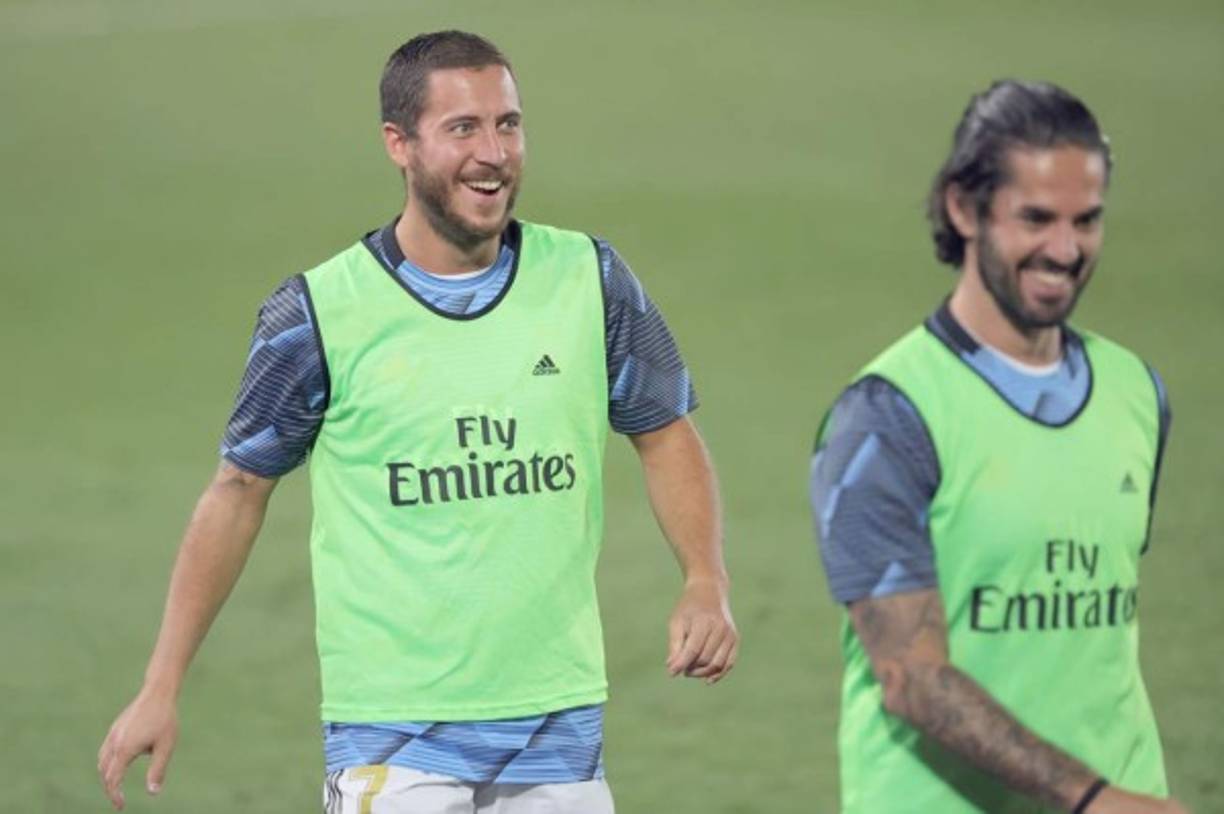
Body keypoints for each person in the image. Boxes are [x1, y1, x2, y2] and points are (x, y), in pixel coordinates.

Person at [98, 30, 737, 813]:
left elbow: (666, 430)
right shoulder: (318, 315)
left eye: (508, 123)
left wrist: (705, 581)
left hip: (559, 732)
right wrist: (160, 686)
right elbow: (237, 491)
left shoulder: (590, 280)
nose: (493, 153)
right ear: (398, 145)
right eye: (462, 128)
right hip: (391, 740)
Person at [809, 80, 1188, 813]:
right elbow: (910, 676)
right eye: (1037, 218)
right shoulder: (886, 416)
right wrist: (1091, 797)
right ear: (963, 208)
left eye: (1088, 220)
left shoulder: (1137, 392)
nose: (1066, 249)